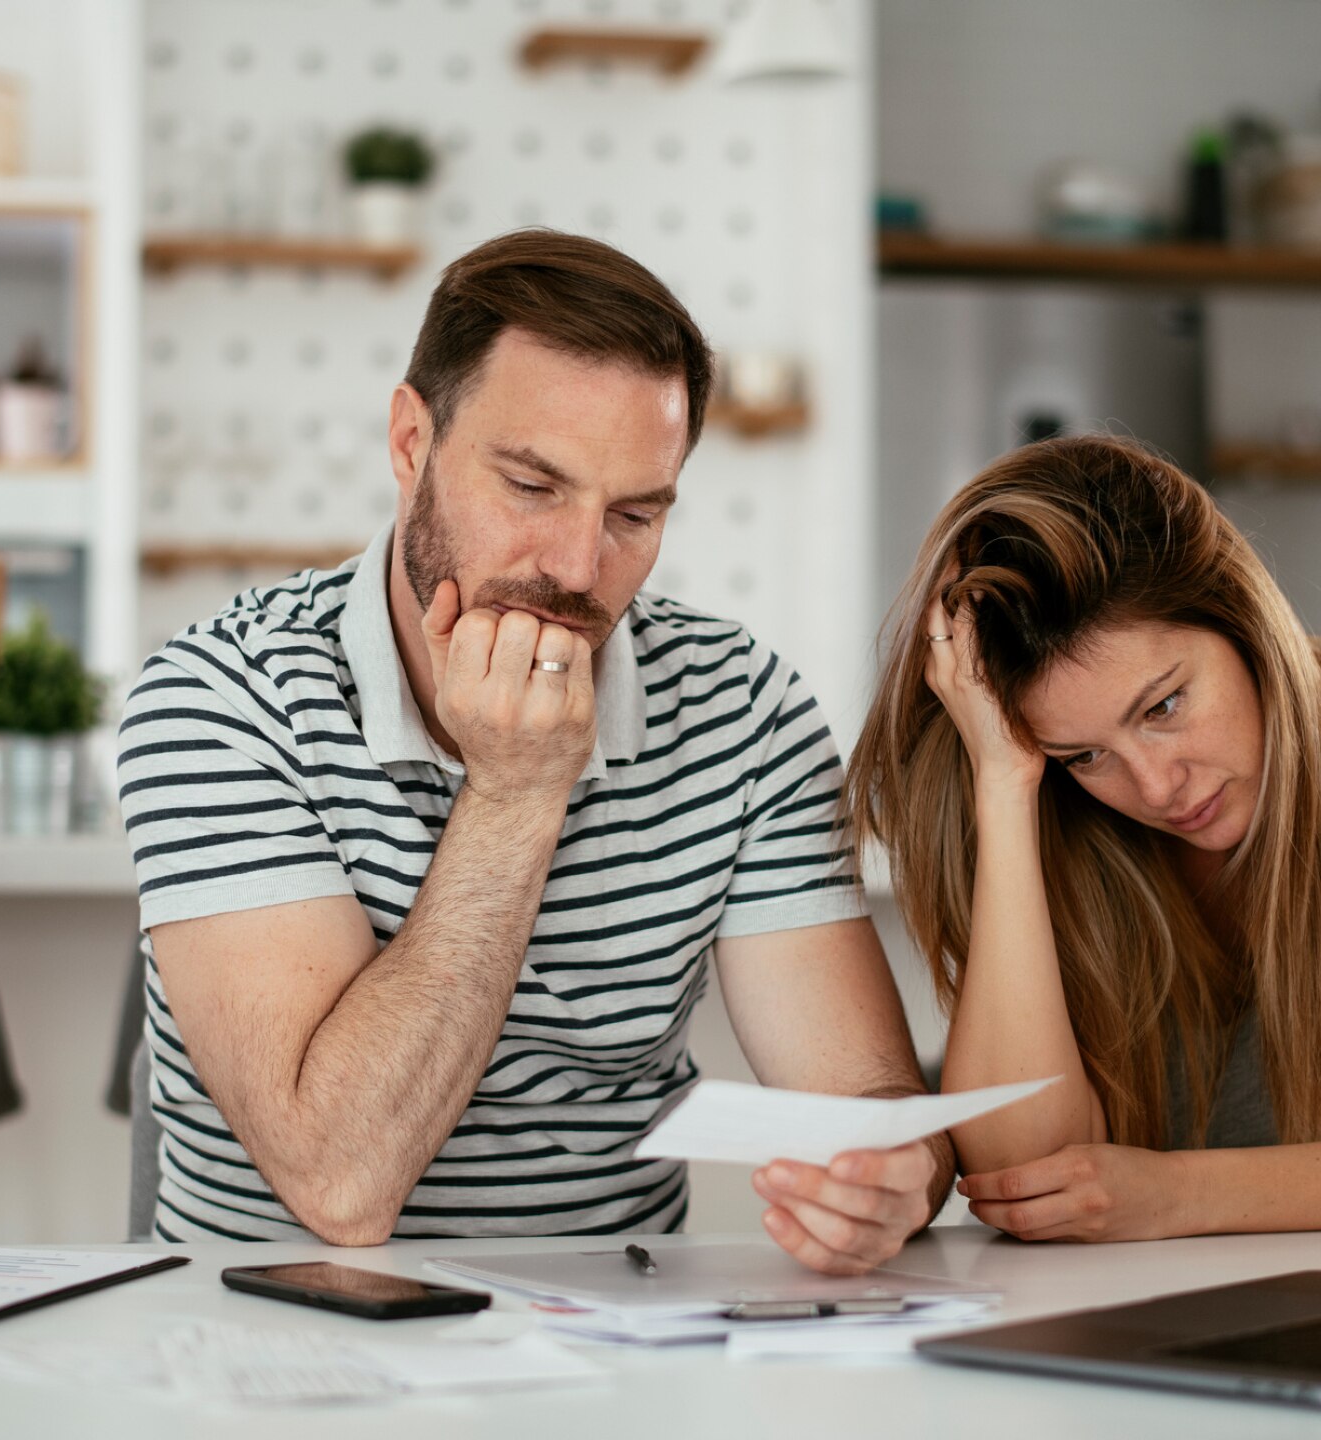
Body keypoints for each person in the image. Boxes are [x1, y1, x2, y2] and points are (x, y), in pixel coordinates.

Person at [118, 229, 950, 1270]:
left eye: (635, 514)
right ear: (411, 442)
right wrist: (515, 794)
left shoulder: (744, 708)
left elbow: (864, 1101)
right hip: (276, 1344)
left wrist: (895, 1178)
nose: (576, 568)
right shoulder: (218, 699)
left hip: (615, 1345)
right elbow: (340, 1181)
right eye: (531, 486)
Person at [845, 433, 1321, 1243]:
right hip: (1165, 1344)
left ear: (1243, 622)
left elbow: (1112, 1196)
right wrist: (1005, 782)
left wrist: (1181, 1195)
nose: (1156, 787)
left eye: (1164, 706)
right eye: (1086, 755)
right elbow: (1028, 1173)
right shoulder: (1065, 830)